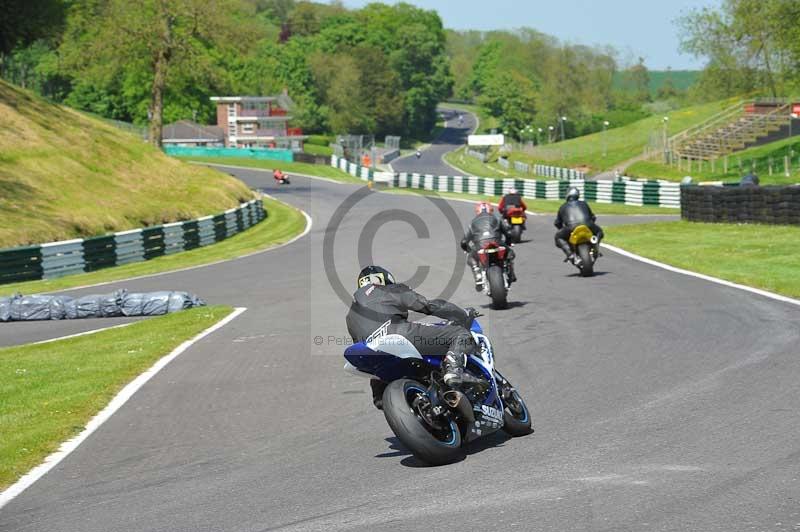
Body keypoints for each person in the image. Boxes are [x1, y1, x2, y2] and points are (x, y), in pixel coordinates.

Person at [346, 266, 484, 410]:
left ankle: (381, 396)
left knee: (376, 366)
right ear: (385, 279)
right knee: (460, 334)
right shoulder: (389, 290)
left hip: (375, 352)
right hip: (402, 334)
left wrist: (380, 396)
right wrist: (461, 313)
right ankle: (453, 368)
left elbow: (361, 343)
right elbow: (427, 305)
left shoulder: (350, 316)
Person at [460, 202, 516, 291]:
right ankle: (510, 272)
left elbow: (463, 241)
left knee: (471, 257)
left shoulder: (473, 222)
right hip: (497, 242)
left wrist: (467, 250)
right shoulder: (497, 219)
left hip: (480, 245)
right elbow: (508, 233)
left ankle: (477, 274)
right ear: (491, 210)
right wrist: (508, 243)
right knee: (510, 253)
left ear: (477, 211)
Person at [553, 187, 604, 265]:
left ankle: (570, 254)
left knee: (558, 237)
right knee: (599, 232)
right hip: (588, 225)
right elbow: (593, 217)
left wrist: (561, 228)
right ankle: (595, 248)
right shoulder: (584, 203)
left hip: (571, 227)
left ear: (567, 195)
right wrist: (591, 224)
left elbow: (557, 223)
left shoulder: (562, 207)